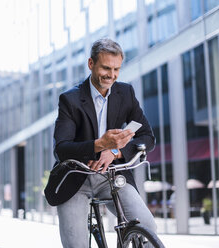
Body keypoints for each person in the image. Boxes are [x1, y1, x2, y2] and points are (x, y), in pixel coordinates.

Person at [44, 38, 157, 248]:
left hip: (112, 176)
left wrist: (114, 151)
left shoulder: (126, 93)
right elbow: (61, 149)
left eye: (116, 69)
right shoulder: (70, 100)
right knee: (76, 244)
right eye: (106, 68)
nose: (111, 75)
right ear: (91, 64)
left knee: (148, 227)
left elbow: (148, 137)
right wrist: (99, 144)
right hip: (76, 177)